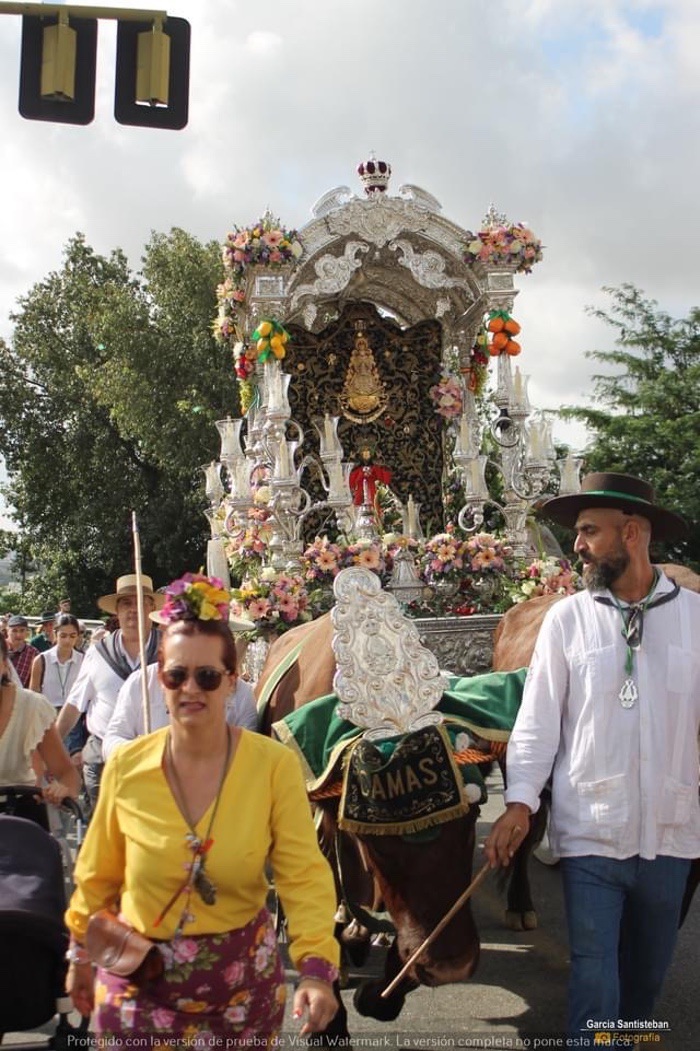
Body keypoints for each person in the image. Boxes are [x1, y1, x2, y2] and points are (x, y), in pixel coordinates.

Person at [65, 572, 339, 1042]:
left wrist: (315, 968)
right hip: (138, 985)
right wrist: (80, 956)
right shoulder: (127, 766)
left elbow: (303, 874)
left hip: (241, 993)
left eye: (207, 677)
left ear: (231, 682)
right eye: (177, 675)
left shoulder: (271, 766)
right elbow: (97, 874)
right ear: (160, 679)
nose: (190, 688)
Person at [485, 472, 700, 1042]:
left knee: (645, 982)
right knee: (595, 978)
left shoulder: (695, 619)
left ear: (631, 533)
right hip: (591, 834)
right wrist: (520, 803)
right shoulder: (567, 620)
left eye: (588, 531)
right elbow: (536, 723)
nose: (577, 545)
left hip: (672, 835)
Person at [56, 574, 163, 807]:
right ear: (116, 611)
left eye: (140, 602)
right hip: (104, 760)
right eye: (126, 603)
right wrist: (51, 754)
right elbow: (74, 705)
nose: (133, 609)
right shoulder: (98, 653)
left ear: (152, 607)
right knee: (103, 826)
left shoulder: (171, 651)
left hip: (159, 760)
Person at [102, 656, 259, 758]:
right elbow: (113, 739)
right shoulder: (141, 681)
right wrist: (144, 753)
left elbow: (248, 751)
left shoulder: (241, 692)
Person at [0, 632, 80, 806]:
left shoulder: (31, 706)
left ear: (5, 665)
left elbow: (67, 774)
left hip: (17, 811)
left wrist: (62, 789)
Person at [29, 614, 86, 755]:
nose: (67, 640)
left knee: (73, 759)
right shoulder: (41, 660)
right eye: (63, 636)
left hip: (74, 718)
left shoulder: (84, 660)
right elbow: (33, 696)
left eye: (72, 636)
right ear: (55, 634)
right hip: (47, 716)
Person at [6, 615, 40, 688]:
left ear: (26, 632)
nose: (18, 635)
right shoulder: (1, 648)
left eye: (22, 630)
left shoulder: (33, 653)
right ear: (7, 630)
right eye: (14, 631)